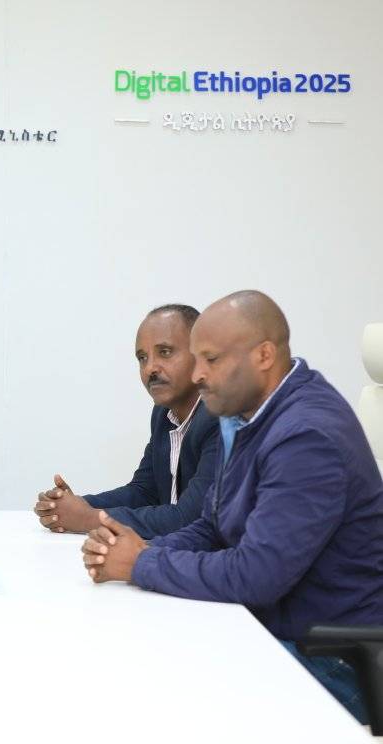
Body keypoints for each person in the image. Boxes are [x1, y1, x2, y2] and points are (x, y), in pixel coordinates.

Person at [81, 290, 383, 723]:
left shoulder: (306, 436)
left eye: (211, 359)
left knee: (153, 691)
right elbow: (212, 526)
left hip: (333, 659)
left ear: (264, 355)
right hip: (271, 627)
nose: (197, 374)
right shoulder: (246, 415)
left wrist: (141, 564)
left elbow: (256, 576)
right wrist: (139, 549)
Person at [34, 305, 219, 537]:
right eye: (142, 358)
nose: (150, 368)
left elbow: (190, 518)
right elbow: (144, 492)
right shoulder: (163, 415)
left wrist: (88, 518)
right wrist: (74, 506)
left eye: (165, 352)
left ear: (201, 355)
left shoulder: (220, 418)